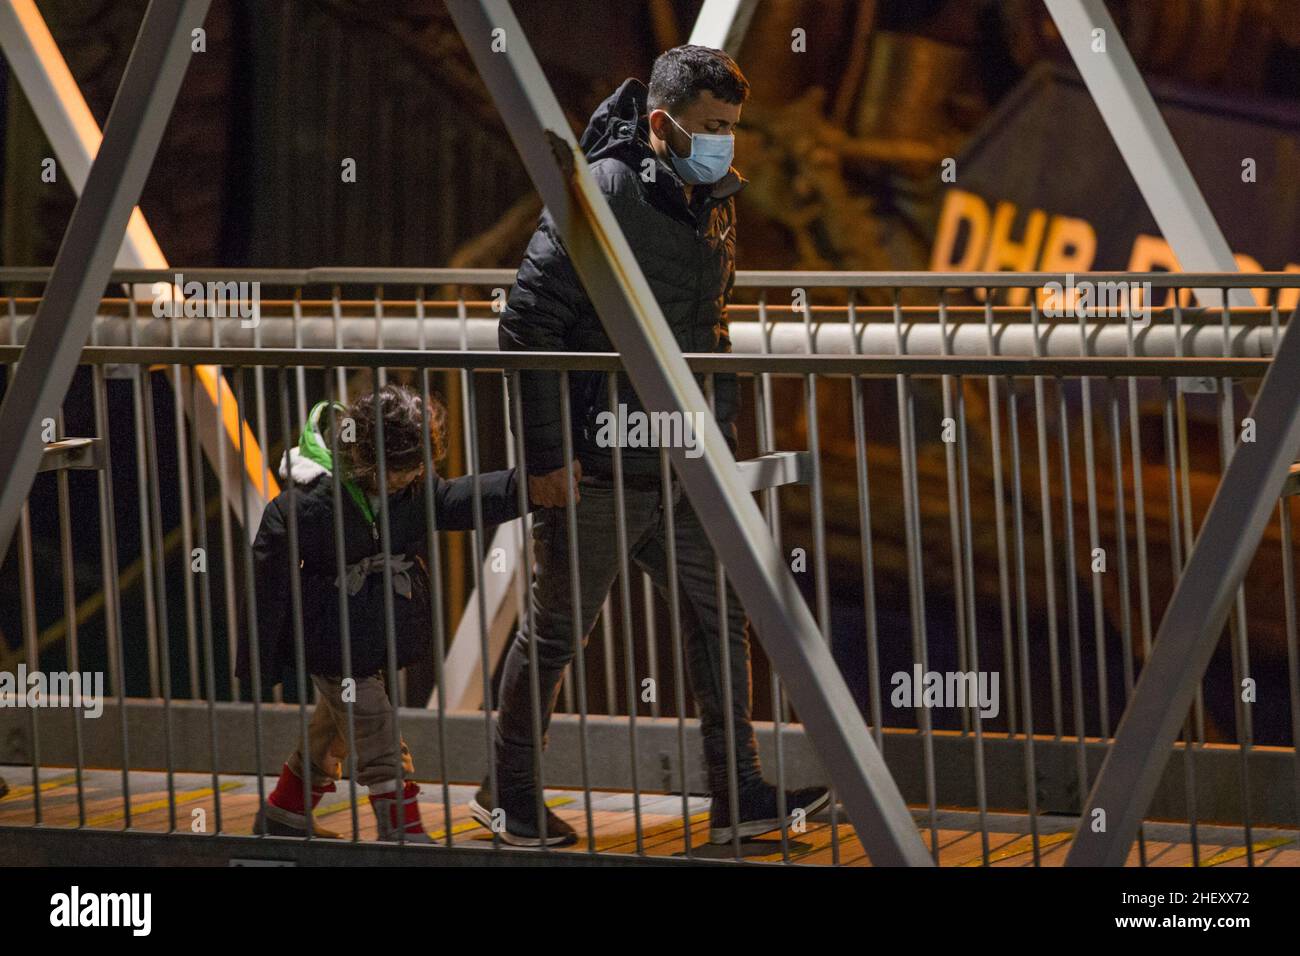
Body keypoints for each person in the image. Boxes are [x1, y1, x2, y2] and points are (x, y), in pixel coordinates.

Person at [476, 45, 829, 847]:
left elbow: (704, 329)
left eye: (733, 129)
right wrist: (545, 461)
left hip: (683, 462)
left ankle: (738, 793)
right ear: (663, 125)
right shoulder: (605, 190)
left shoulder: (713, 197)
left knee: (721, 617)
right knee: (559, 630)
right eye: (710, 128)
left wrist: (718, 439)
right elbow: (528, 322)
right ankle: (509, 794)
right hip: (600, 464)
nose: (724, 144)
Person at [238, 384, 536, 842]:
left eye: (419, 466)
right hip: (330, 635)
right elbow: (268, 571)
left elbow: (460, 499)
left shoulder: (412, 488)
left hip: (370, 631)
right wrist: (260, 657)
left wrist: (526, 487)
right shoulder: (312, 500)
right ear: (367, 457)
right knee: (374, 724)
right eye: (400, 468)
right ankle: (403, 828)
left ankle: (285, 813)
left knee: (335, 726)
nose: (411, 476)